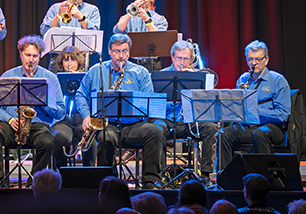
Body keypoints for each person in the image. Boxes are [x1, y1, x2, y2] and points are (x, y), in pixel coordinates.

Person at [75, 34, 165, 188]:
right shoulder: (96, 70)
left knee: (155, 131)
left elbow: (149, 103)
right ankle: (108, 181)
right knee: (106, 137)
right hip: (107, 125)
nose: (121, 56)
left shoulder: (141, 72)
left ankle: (150, 181)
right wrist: (86, 116)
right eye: (117, 51)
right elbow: (80, 95)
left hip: (133, 126)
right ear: (109, 51)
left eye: (125, 51)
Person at [0, 35, 65, 185]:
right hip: (12, 124)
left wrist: (43, 101)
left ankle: (34, 182)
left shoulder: (50, 78)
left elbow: (60, 112)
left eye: (35, 56)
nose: (31, 60)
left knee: (47, 143)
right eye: (28, 55)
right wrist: (10, 119)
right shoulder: (8, 76)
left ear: (40, 56)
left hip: (38, 125)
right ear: (20, 54)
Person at [219, 40, 291, 166]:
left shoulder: (278, 80)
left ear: (266, 60)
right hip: (248, 127)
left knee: (259, 134)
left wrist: (258, 112)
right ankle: (227, 175)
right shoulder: (243, 79)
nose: (253, 63)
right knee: (224, 134)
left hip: (271, 127)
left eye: (258, 59)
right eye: (250, 59)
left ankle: (265, 175)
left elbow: (283, 114)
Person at [153, 41, 218, 179]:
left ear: (191, 60)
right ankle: (161, 175)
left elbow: (206, 104)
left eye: (186, 59)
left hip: (190, 121)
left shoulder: (198, 76)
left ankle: (205, 174)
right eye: (179, 58)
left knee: (210, 127)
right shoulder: (160, 76)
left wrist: (194, 83)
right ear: (172, 57)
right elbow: (154, 107)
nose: (182, 62)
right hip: (167, 119)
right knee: (156, 129)